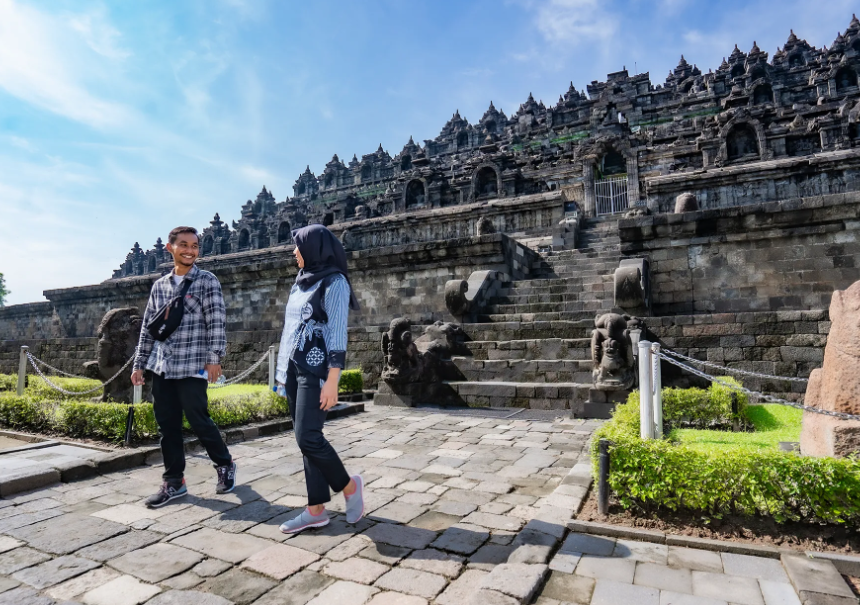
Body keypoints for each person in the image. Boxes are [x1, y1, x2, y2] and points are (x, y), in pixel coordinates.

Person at [132, 226, 236, 508]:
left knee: (199, 418)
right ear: (171, 248)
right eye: (184, 245)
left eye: (194, 246)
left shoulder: (207, 281)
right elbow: (148, 328)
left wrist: (214, 358)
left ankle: (224, 463)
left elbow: (217, 321)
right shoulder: (160, 286)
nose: (190, 250)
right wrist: (139, 363)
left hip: (193, 363)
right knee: (167, 425)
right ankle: (174, 481)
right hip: (162, 365)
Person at [276, 224, 365, 533]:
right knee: (306, 442)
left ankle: (349, 487)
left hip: (316, 369)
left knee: (308, 437)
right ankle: (315, 509)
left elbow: (338, 331)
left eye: (297, 246)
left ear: (313, 247)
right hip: (291, 368)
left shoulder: (335, 282)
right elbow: (289, 329)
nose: (293, 252)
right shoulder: (300, 283)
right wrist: (279, 374)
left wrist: (333, 379)